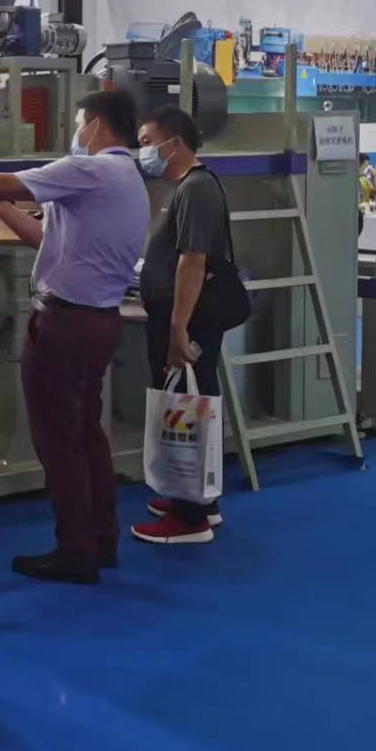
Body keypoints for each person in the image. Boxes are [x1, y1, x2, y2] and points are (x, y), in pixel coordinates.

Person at [0, 89, 150, 585]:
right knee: (86, 434)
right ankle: (100, 539)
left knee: (58, 440)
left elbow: (6, 180)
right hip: (97, 321)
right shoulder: (125, 179)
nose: (77, 133)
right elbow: (49, 239)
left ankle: (74, 550)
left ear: (97, 125)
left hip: (64, 326)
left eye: (81, 122)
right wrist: (2, 209)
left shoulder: (92, 169)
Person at [129, 107, 230, 546]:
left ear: (175, 143)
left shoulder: (197, 189)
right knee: (190, 400)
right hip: (179, 315)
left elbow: (193, 262)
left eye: (147, 141)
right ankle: (198, 501)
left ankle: (190, 520)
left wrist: (177, 329)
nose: (143, 151)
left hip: (187, 318)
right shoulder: (186, 187)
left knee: (186, 408)